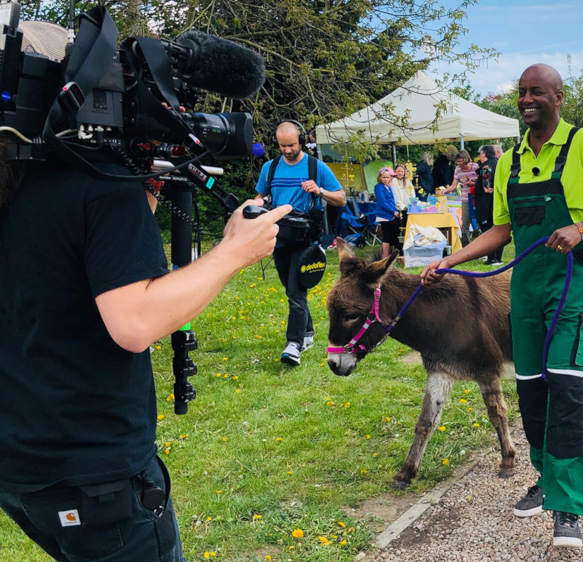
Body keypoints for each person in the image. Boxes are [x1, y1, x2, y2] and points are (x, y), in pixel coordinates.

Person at [0, 156, 291, 560]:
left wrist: (146, 190)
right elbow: (135, 321)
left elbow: (81, 263)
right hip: (96, 477)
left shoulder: (23, 172)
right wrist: (234, 251)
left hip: (20, 464)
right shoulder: (102, 181)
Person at [422, 63, 583, 550]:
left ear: (558, 96)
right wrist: (452, 259)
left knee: (566, 387)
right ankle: (545, 478)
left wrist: (582, 228)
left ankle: (568, 506)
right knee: (531, 390)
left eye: (537, 91)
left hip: (572, 281)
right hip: (524, 286)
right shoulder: (508, 160)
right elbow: (501, 230)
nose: (527, 99)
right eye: (521, 92)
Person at [256, 121, 346, 366]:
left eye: (292, 145)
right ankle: (307, 332)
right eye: (282, 146)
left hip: (305, 239)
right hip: (279, 237)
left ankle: (293, 345)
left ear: (302, 141)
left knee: (296, 293)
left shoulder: (316, 167)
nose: (287, 150)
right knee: (290, 290)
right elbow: (260, 196)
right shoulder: (269, 168)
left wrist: (319, 191)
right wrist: (251, 208)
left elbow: (341, 198)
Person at [475, 145, 503, 265]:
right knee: (498, 230)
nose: (479, 157)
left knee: (487, 230)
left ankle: (491, 258)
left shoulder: (486, 167)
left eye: (480, 154)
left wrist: (487, 188)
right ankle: (498, 258)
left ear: (484, 154)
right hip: (497, 203)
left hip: (486, 204)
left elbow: (487, 188)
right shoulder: (498, 163)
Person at [445, 149, 478, 240]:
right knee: (465, 222)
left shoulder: (476, 167)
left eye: (460, 161)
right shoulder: (458, 169)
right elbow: (454, 185)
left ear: (466, 159)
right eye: (457, 161)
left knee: (480, 220)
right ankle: (465, 243)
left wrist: (473, 184)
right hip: (465, 197)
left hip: (477, 197)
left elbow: (483, 181)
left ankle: (482, 240)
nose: (458, 163)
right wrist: (445, 190)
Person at [374, 167, 401, 258]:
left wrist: (396, 210)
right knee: (386, 235)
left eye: (387, 177)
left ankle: (390, 253)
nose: (386, 179)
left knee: (392, 235)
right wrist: (393, 212)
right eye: (384, 177)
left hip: (391, 215)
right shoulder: (379, 187)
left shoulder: (389, 187)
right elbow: (383, 203)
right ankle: (385, 256)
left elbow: (392, 201)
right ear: (379, 178)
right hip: (384, 215)